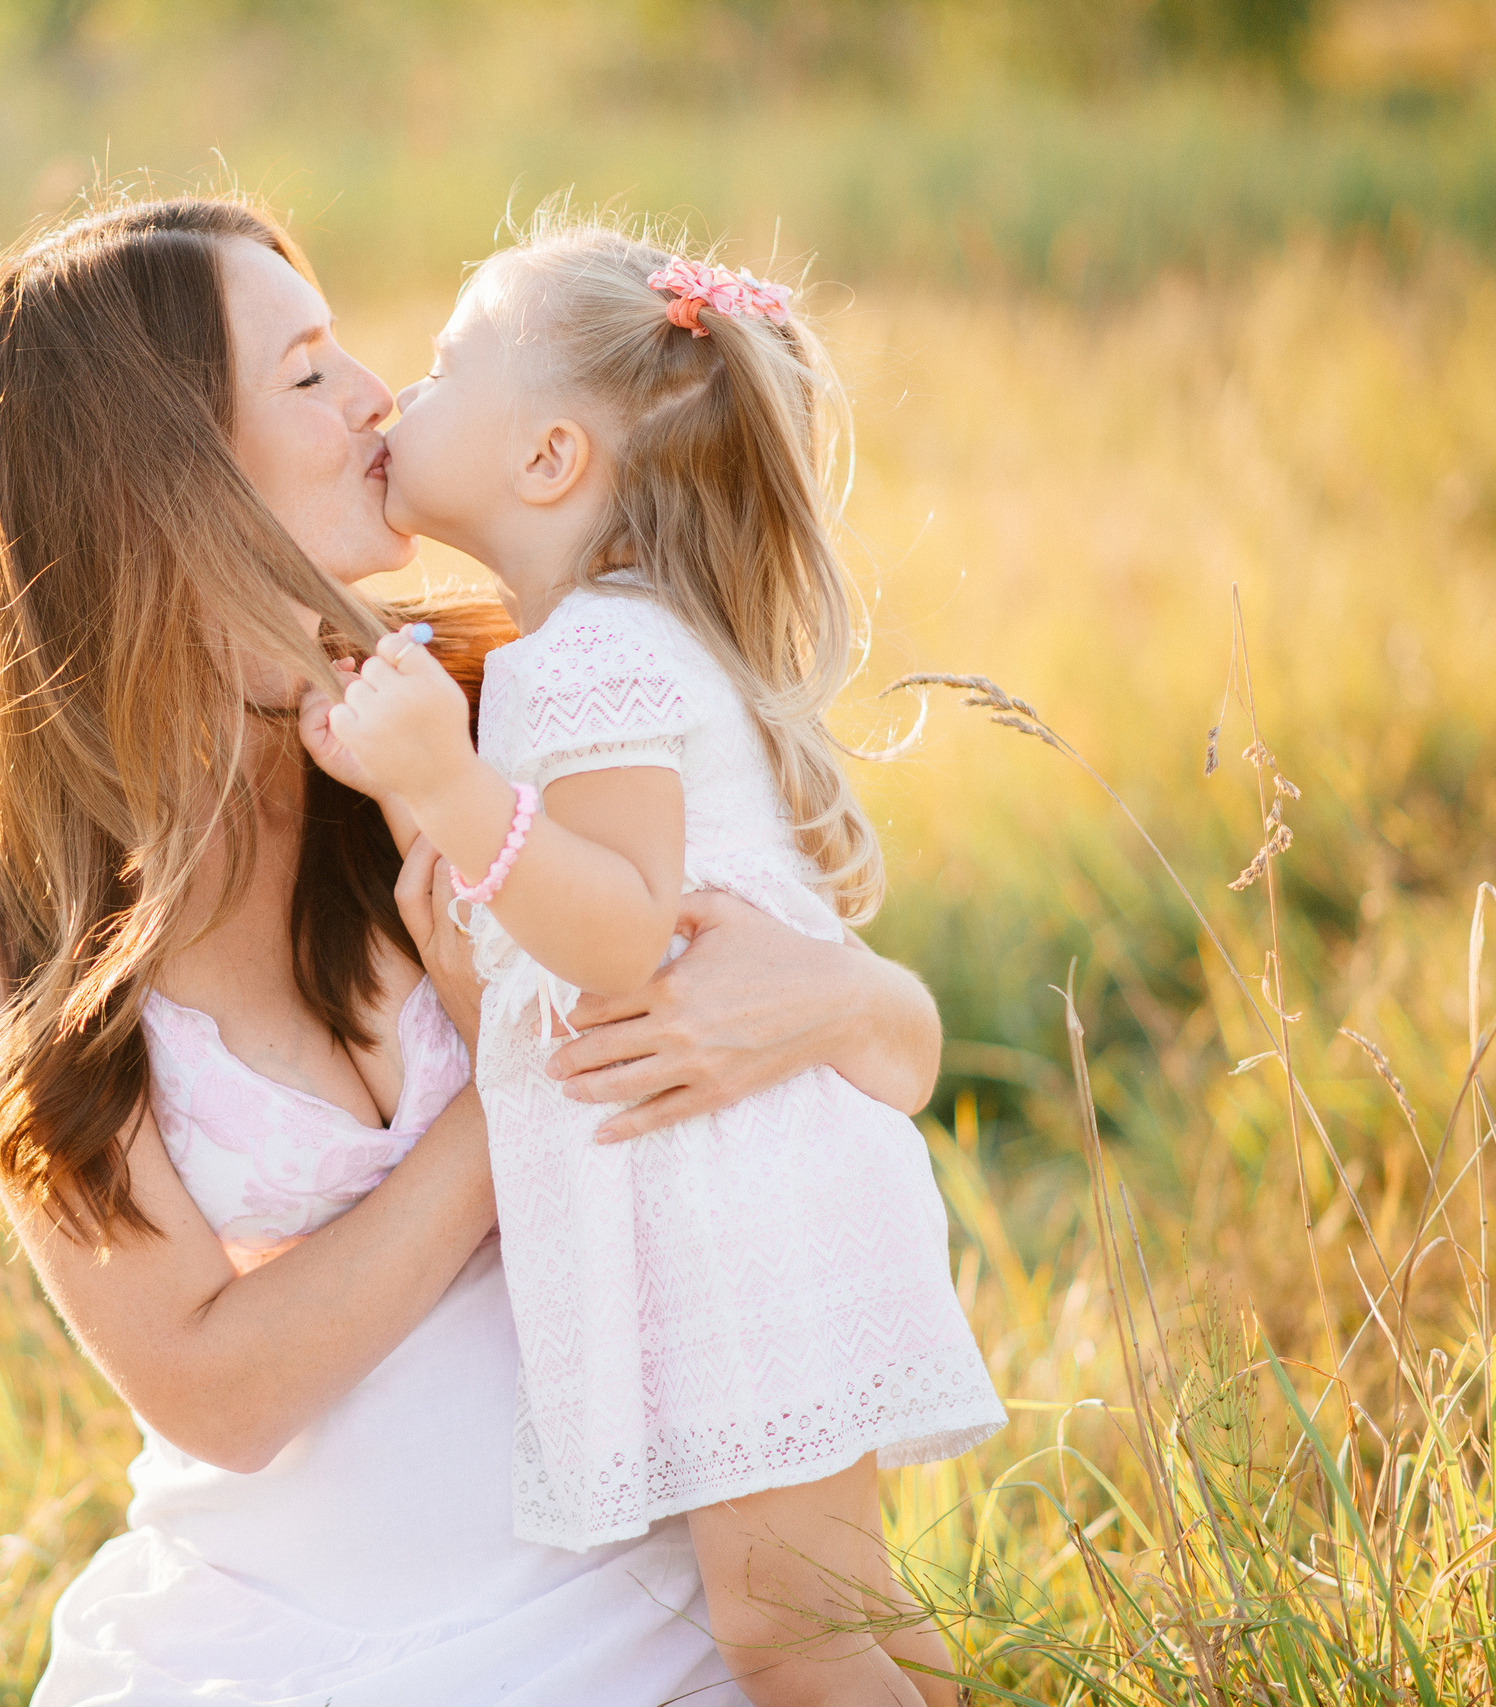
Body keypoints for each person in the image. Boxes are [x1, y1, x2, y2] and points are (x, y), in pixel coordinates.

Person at [0, 195, 954, 1704]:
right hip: (280, 1624)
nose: (376, 398)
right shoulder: (17, 912)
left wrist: (840, 994)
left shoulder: (487, 708)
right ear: (161, 468)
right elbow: (214, 1387)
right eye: (310, 371)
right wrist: (516, 1097)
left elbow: (894, 1040)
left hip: (639, 1575)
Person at [312, 209, 1004, 1705]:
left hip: (731, 1208)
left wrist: (443, 787)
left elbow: (623, 931)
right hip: (747, 1179)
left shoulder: (591, 658)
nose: (395, 397)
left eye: (441, 368)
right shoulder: (615, 642)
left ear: (549, 459)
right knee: (840, 1606)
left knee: (783, 1635)